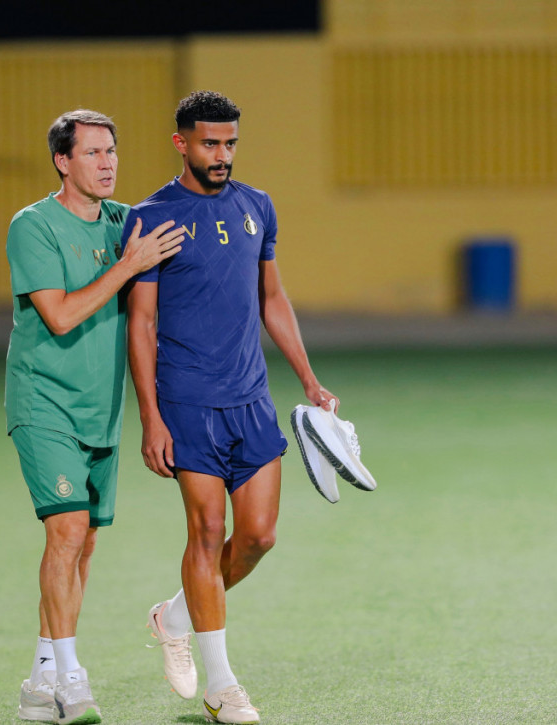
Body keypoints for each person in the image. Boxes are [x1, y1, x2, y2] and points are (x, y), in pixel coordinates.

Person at [125, 90, 336, 725]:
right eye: (210, 143)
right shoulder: (151, 217)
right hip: (187, 401)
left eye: (230, 143)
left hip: (251, 398)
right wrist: (151, 417)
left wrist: (309, 380)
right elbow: (141, 323)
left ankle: (173, 615)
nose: (222, 155)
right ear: (181, 143)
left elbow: (272, 298)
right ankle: (222, 686)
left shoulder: (257, 206)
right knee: (206, 531)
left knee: (258, 537)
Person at [6, 109, 184, 725]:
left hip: (100, 410)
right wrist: (128, 265)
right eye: (92, 153)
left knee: (83, 546)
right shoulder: (33, 226)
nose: (107, 164)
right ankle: (72, 681)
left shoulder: (126, 223)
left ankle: (39, 681)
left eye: (112, 151)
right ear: (62, 161)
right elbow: (59, 315)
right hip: (44, 402)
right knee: (67, 530)